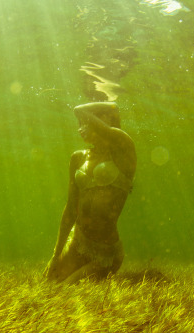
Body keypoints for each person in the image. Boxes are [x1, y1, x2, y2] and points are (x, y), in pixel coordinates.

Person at [44, 102, 136, 283]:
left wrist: (82, 112)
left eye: (88, 121)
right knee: (49, 285)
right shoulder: (77, 158)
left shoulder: (124, 147)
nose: (82, 126)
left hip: (106, 253)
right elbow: (71, 208)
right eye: (80, 123)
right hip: (77, 242)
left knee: (67, 290)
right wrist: (56, 255)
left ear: (108, 120)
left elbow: (108, 107)